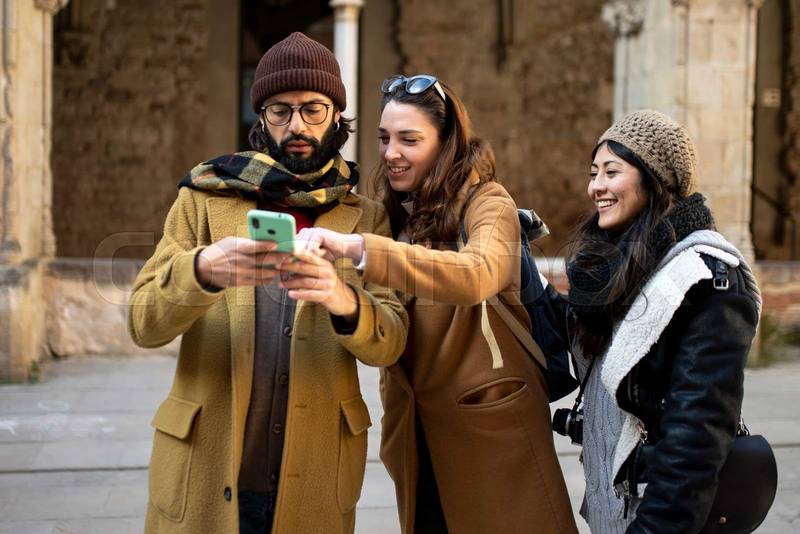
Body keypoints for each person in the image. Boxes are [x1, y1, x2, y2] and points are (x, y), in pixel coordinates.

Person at [128, 32, 408, 534]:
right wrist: (202, 270)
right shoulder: (203, 198)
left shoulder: (367, 217)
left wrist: (341, 298)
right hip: (206, 466)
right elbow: (143, 323)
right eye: (280, 110)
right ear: (261, 118)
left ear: (337, 116)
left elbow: (390, 342)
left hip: (315, 473)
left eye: (313, 109)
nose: (296, 125)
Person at [295, 75, 577, 533]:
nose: (391, 153)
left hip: (490, 429)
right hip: (414, 435)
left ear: (446, 144)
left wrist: (361, 250)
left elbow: (478, 273)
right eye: (384, 138)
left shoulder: (489, 202)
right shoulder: (389, 213)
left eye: (409, 140)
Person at [563, 110, 761, 533]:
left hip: (655, 517)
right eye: (593, 173)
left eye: (611, 172)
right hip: (611, 511)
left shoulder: (707, 278)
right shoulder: (613, 271)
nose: (596, 186)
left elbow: (696, 438)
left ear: (656, 180)